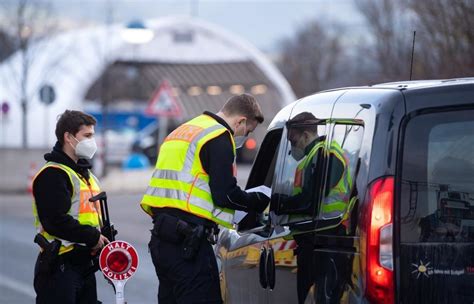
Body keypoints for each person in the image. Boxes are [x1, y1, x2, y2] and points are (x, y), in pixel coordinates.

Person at [141, 93, 270, 304]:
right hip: (187, 243)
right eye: (248, 131)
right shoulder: (218, 137)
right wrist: (259, 200)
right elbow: (225, 194)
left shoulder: (184, 130)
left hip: (162, 239)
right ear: (241, 121)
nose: (245, 136)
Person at [32, 110, 109, 304]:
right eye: (87, 136)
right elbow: (55, 221)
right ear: (68, 137)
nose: (93, 141)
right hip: (60, 266)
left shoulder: (85, 174)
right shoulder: (53, 174)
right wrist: (92, 237)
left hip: (84, 264)